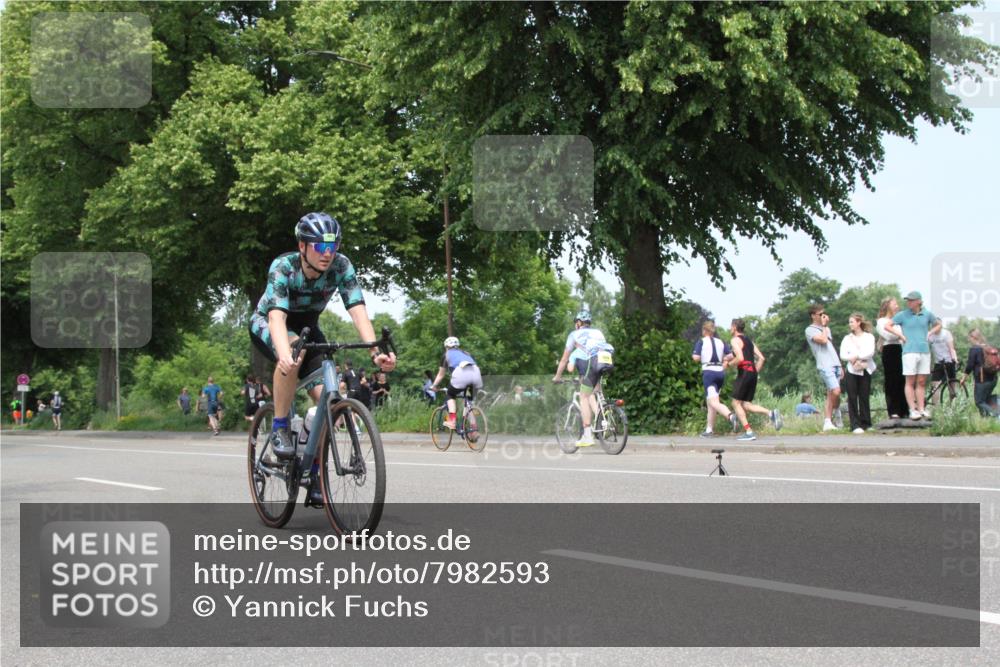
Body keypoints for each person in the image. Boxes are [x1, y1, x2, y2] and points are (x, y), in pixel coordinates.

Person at [247, 212, 396, 505]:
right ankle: (279, 427)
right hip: (270, 322)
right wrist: (284, 353)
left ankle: (313, 473)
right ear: (302, 246)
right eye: (320, 247)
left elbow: (357, 310)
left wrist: (375, 352)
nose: (328, 254)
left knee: (329, 398)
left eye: (333, 246)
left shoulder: (341, 266)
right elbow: (277, 317)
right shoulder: (284, 266)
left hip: (308, 326)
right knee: (294, 351)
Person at [552, 310, 616, 447]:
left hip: (593, 362)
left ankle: (587, 435)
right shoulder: (598, 332)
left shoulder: (573, 335)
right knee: (595, 393)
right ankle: (603, 419)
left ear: (579, 323)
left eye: (576, 322)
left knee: (584, 397)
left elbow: (564, 360)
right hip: (606, 361)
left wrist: (557, 377)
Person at [728, 319, 782, 441]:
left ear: (735, 327)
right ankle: (770, 413)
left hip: (744, 373)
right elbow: (762, 358)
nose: (730, 328)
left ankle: (748, 431)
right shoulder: (749, 341)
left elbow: (740, 358)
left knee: (735, 403)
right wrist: (754, 372)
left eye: (731, 326)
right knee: (746, 404)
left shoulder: (734, 340)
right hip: (752, 373)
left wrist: (729, 364)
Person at [890, 291, 941, 420]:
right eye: (908, 300)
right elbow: (887, 325)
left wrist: (930, 332)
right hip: (909, 351)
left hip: (924, 350)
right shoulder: (902, 315)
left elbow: (939, 324)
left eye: (911, 300)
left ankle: (921, 409)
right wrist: (900, 335)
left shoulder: (927, 314)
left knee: (922, 382)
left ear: (919, 301)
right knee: (910, 381)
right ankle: (912, 410)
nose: (909, 302)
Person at [691, 320, 738, 437]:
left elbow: (696, 357)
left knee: (713, 402)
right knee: (710, 402)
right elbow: (731, 355)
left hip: (709, 373)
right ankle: (709, 429)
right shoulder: (721, 341)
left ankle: (731, 416)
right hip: (720, 373)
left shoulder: (701, 341)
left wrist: (700, 355)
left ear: (704, 331)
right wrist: (724, 360)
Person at [430, 337, 483, 433]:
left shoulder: (446, 355)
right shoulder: (466, 353)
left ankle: (452, 421)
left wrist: (434, 386)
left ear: (446, 346)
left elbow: (441, 375)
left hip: (461, 375)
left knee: (450, 394)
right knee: (468, 403)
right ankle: (474, 430)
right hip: (476, 375)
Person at [805, 304, 843, 431]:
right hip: (825, 364)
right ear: (813, 316)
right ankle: (828, 420)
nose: (823, 316)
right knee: (835, 391)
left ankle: (834, 417)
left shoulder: (827, 329)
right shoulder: (810, 330)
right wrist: (824, 326)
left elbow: (831, 346)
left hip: (835, 363)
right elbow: (823, 341)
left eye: (824, 313)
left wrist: (840, 365)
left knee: (833, 393)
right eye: (820, 314)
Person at [839, 313, 877, 433]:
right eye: (849, 322)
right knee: (852, 397)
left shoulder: (869, 337)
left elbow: (870, 352)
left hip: (865, 368)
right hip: (852, 369)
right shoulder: (847, 338)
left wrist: (856, 356)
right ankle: (855, 424)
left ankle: (866, 423)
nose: (850, 324)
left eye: (852, 322)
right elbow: (843, 354)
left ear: (858, 322)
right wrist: (851, 358)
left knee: (864, 396)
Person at [875, 297, 908, 419]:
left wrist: (899, 335)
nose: (897, 305)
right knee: (891, 380)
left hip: (901, 349)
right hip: (889, 350)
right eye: (895, 303)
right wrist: (899, 335)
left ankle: (904, 410)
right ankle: (893, 410)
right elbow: (888, 336)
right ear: (887, 305)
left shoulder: (898, 320)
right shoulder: (881, 321)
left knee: (903, 380)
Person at [965, 329, 998, 417]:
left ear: (973, 337)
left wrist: (963, 378)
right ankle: (986, 420)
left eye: (969, 338)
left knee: (979, 402)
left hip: (982, 380)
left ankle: (996, 414)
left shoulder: (974, 349)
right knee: (985, 400)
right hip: (993, 379)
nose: (969, 340)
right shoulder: (987, 346)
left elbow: (969, 366)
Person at [928, 325, 959, 405]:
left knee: (952, 387)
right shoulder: (930, 335)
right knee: (935, 387)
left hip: (949, 361)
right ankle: (936, 409)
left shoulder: (946, 334)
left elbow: (951, 348)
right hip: (938, 363)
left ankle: (952, 407)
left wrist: (954, 359)